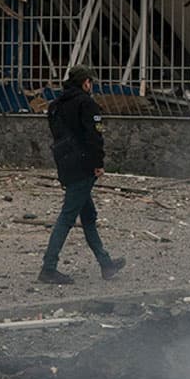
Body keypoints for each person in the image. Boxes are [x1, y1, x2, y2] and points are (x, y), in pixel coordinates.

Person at [38, 67, 125, 286]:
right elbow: (94, 136)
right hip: (83, 166)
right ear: (86, 82)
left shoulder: (56, 105)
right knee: (67, 217)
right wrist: (98, 163)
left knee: (88, 216)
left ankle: (106, 263)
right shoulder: (87, 104)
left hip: (65, 163)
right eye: (90, 82)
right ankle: (48, 268)